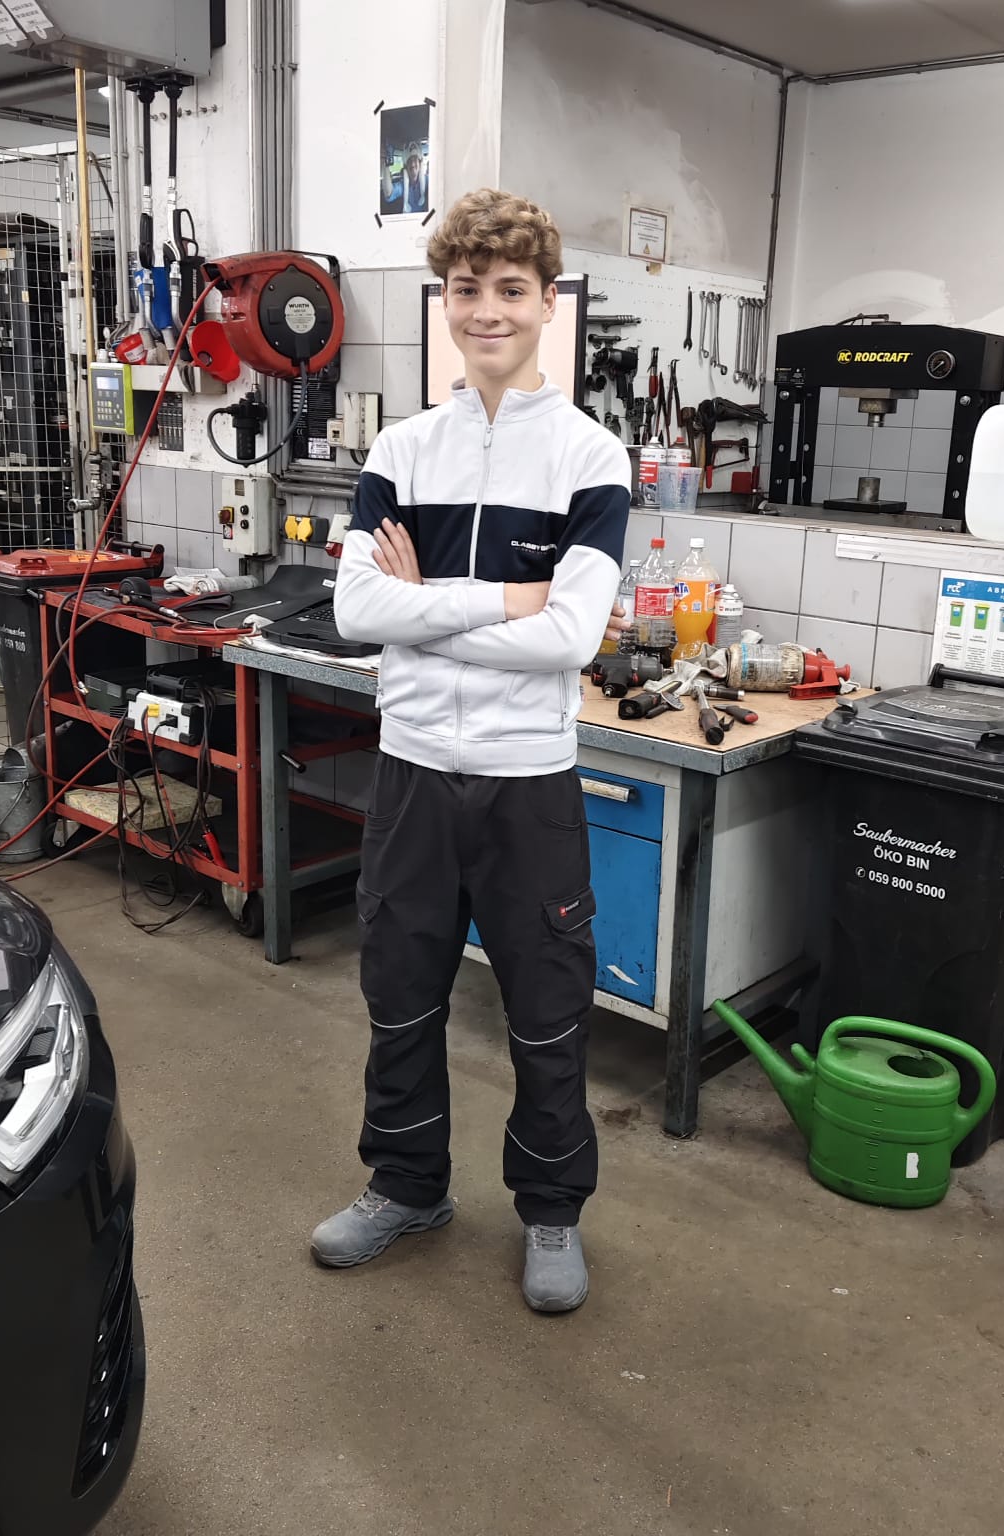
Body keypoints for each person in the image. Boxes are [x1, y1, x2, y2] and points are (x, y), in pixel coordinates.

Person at [312, 189, 631, 1313]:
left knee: (547, 1010)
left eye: (509, 290)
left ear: (547, 304)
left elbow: (571, 638)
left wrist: (425, 605)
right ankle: (407, 1186)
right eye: (465, 290)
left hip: (527, 782)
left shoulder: (589, 458)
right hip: (411, 770)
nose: (486, 311)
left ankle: (551, 1210)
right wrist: (504, 598)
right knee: (399, 992)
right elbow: (356, 609)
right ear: (443, 302)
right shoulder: (403, 450)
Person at [382, 143, 429, 215]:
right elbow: (388, 193)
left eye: (415, 159)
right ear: (406, 166)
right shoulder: (402, 185)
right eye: (409, 161)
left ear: (420, 163)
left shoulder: (428, 181)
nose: (412, 164)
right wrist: (385, 163)